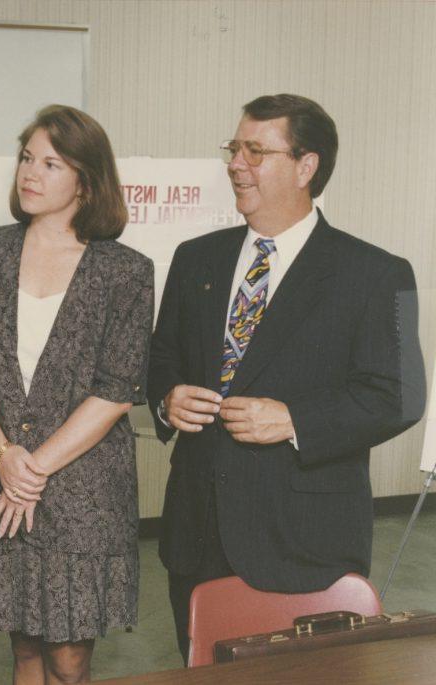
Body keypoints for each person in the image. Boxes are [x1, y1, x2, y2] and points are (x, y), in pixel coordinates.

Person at [148, 93, 426, 661]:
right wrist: (167, 399)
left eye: (255, 150)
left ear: (307, 166)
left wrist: (294, 419)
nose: (235, 163)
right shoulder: (193, 258)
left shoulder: (381, 273)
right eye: (234, 148)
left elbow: (401, 394)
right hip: (197, 533)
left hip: (307, 540)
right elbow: (162, 358)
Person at [0, 104, 153, 685]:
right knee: (25, 648)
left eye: (51, 163)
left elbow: (117, 390)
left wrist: (32, 470)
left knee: (69, 658)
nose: (30, 173)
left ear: (86, 181)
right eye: (26, 159)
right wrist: (3, 454)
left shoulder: (125, 272)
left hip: (84, 488)